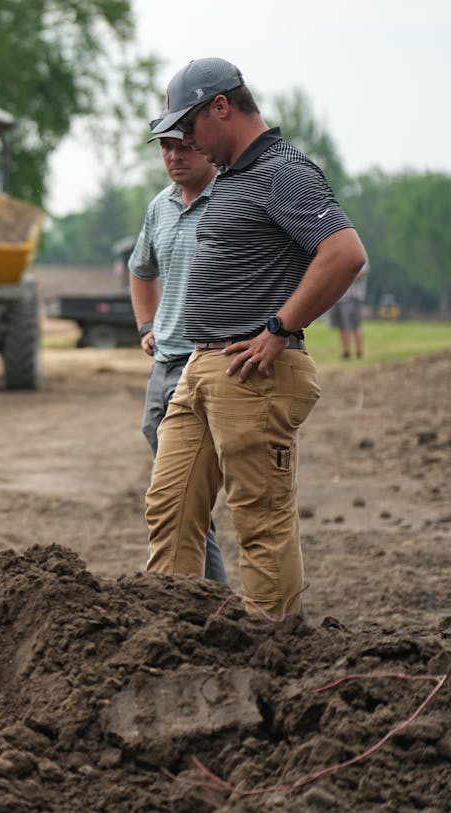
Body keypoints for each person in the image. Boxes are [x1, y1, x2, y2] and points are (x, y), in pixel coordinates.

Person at [143, 58, 367, 617]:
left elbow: (343, 254)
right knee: (169, 509)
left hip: (253, 372)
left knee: (260, 521)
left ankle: (276, 651)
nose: (185, 141)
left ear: (222, 106)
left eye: (189, 127)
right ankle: (173, 630)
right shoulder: (234, 177)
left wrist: (279, 328)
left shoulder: (282, 170)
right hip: (200, 367)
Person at [128, 124, 227, 584]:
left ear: (204, 143)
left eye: (183, 145)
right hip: (165, 365)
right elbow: (140, 270)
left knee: (202, 496)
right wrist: (147, 324)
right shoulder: (159, 207)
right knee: (179, 498)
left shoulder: (232, 199)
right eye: (166, 147)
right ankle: (206, 598)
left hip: (213, 363)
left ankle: (227, 604)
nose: (174, 156)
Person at [328, 261, 370, 359]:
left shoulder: (361, 253)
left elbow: (363, 274)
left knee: (355, 325)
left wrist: (344, 276)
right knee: (342, 326)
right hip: (339, 297)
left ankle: (359, 352)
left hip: (353, 297)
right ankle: (346, 352)